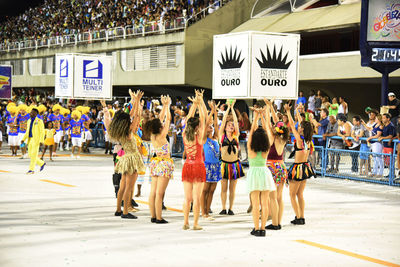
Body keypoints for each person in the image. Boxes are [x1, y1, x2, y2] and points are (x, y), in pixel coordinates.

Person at [102, 90, 145, 219]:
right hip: (132, 158)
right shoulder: (129, 130)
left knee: (122, 186)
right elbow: (137, 116)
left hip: (125, 158)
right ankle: (125, 211)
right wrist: (137, 101)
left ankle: (118, 210)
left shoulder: (120, 131)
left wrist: (136, 101)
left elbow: (133, 115)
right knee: (129, 188)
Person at [246, 106, 275, 237]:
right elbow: (268, 131)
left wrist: (256, 116)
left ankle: (256, 228)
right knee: (265, 202)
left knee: (256, 203)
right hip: (264, 172)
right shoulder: (267, 148)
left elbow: (251, 132)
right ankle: (263, 229)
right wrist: (263, 116)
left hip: (254, 174)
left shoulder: (250, 148)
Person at [284, 103, 316, 225]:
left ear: (302, 129)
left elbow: (292, 125)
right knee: (300, 194)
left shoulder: (299, 140)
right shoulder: (309, 141)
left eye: (300, 126)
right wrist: (297, 111)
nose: (299, 127)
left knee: (292, 195)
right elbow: (299, 123)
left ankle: (298, 217)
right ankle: (301, 216)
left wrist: (288, 111)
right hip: (305, 167)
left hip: (298, 168)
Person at [182, 90, 207, 230]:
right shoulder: (200, 137)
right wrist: (200, 102)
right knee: (197, 198)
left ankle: (185, 222)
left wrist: (194, 104)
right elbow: (203, 119)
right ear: (197, 127)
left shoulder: (185, 135)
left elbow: (188, 120)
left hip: (187, 166)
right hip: (198, 166)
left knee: (187, 198)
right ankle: (195, 224)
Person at [147, 95, 174, 224]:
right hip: (164, 163)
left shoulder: (153, 135)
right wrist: (167, 106)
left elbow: (160, 119)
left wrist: (164, 106)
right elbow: (167, 119)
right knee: (160, 193)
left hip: (155, 162)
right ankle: (159, 217)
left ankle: (153, 216)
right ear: (160, 127)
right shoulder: (163, 135)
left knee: (153, 192)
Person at [264, 99, 289, 230]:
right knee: (279, 197)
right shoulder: (283, 139)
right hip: (281, 166)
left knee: (272, 197)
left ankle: (274, 223)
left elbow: (268, 123)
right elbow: (275, 122)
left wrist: (268, 108)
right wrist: (270, 106)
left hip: (271, 167)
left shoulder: (272, 138)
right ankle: (278, 221)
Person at [218, 99, 245, 215]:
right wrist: (228, 109)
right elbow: (223, 121)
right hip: (224, 164)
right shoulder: (221, 136)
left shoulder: (236, 136)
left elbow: (236, 121)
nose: (231, 126)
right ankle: (223, 208)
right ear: (225, 127)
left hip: (234, 164)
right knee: (224, 188)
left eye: (232, 126)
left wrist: (232, 108)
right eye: (229, 125)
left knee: (232, 189)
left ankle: (231, 208)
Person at [201, 100, 221, 220]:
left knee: (212, 190)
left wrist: (215, 112)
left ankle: (208, 210)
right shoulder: (204, 139)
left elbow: (216, 124)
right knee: (205, 190)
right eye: (209, 127)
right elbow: (207, 122)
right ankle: (203, 211)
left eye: (212, 126)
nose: (211, 127)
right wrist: (212, 111)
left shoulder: (216, 137)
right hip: (207, 166)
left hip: (216, 166)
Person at [21, 108, 46, 174]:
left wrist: (41, 141)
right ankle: (41, 163)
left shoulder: (39, 121)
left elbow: (42, 132)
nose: (30, 113)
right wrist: (23, 139)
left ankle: (31, 169)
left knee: (34, 155)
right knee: (30, 154)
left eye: (32, 112)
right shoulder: (29, 120)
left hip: (36, 140)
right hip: (30, 139)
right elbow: (27, 131)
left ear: (35, 114)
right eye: (30, 112)